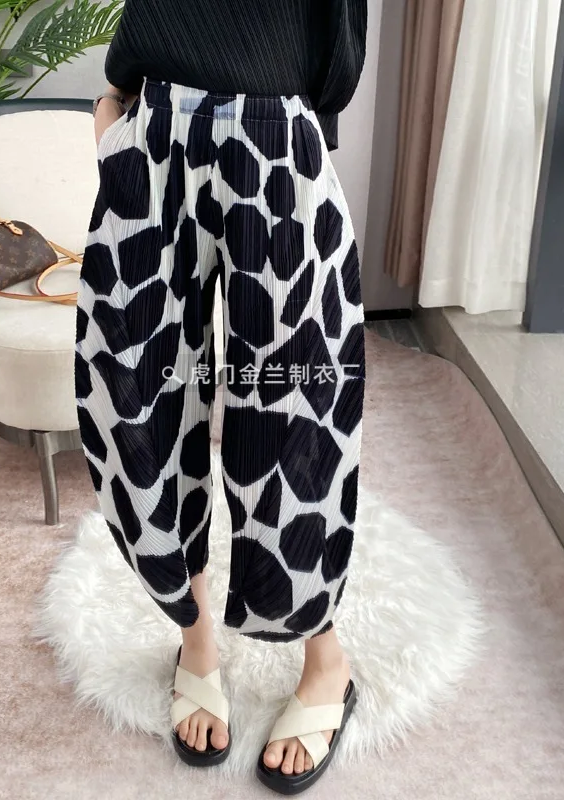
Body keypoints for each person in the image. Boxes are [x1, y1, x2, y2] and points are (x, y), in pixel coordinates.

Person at [76, 1, 367, 793]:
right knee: (139, 399)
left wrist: (305, 126)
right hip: (154, 131)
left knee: (299, 414)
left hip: (279, 134)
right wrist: (115, 112)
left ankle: (326, 661)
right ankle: (196, 638)